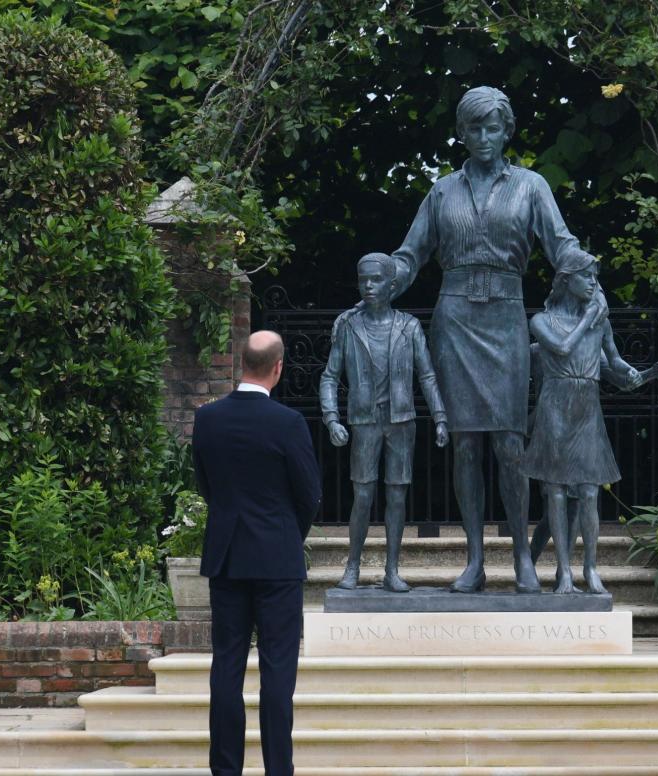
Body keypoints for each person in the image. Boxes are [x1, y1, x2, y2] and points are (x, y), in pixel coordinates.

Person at [385, 85, 599, 594]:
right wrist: (381, 279)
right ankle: (475, 559)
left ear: (508, 131)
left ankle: (523, 556)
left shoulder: (530, 186)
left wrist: (589, 280)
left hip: (505, 317)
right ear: (461, 132)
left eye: (493, 127)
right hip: (455, 319)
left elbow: (561, 243)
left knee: (508, 442)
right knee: (464, 445)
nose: (484, 137)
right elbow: (410, 254)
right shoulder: (442, 191)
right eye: (474, 128)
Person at [193, 330, 322, 776]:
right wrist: (288, 533)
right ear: (278, 368)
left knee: (226, 664)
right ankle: (277, 771)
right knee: (278, 670)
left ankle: (226, 770)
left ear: (240, 364)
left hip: (228, 557)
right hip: (277, 561)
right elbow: (309, 494)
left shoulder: (208, 420)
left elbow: (205, 485)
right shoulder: (288, 423)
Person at [521, 253, 658, 593]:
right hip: (555, 406)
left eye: (594, 277)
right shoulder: (542, 321)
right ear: (566, 281)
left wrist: (645, 374)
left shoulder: (599, 322)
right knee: (556, 492)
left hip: (586, 407)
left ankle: (589, 568)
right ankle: (563, 572)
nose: (592, 282)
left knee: (589, 492)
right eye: (586, 276)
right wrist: (588, 318)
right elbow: (559, 348)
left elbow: (617, 367)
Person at [319, 252, 449, 592]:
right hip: (364, 421)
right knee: (362, 496)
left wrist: (440, 417)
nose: (369, 286)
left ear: (392, 286)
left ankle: (392, 569)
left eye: (376, 280)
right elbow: (330, 377)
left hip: (401, 421)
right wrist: (331, 418)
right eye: (364, 280)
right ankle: (353, 566)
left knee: (396, 497)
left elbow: (428, 375)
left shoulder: (408, 326)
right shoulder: (348, 325)